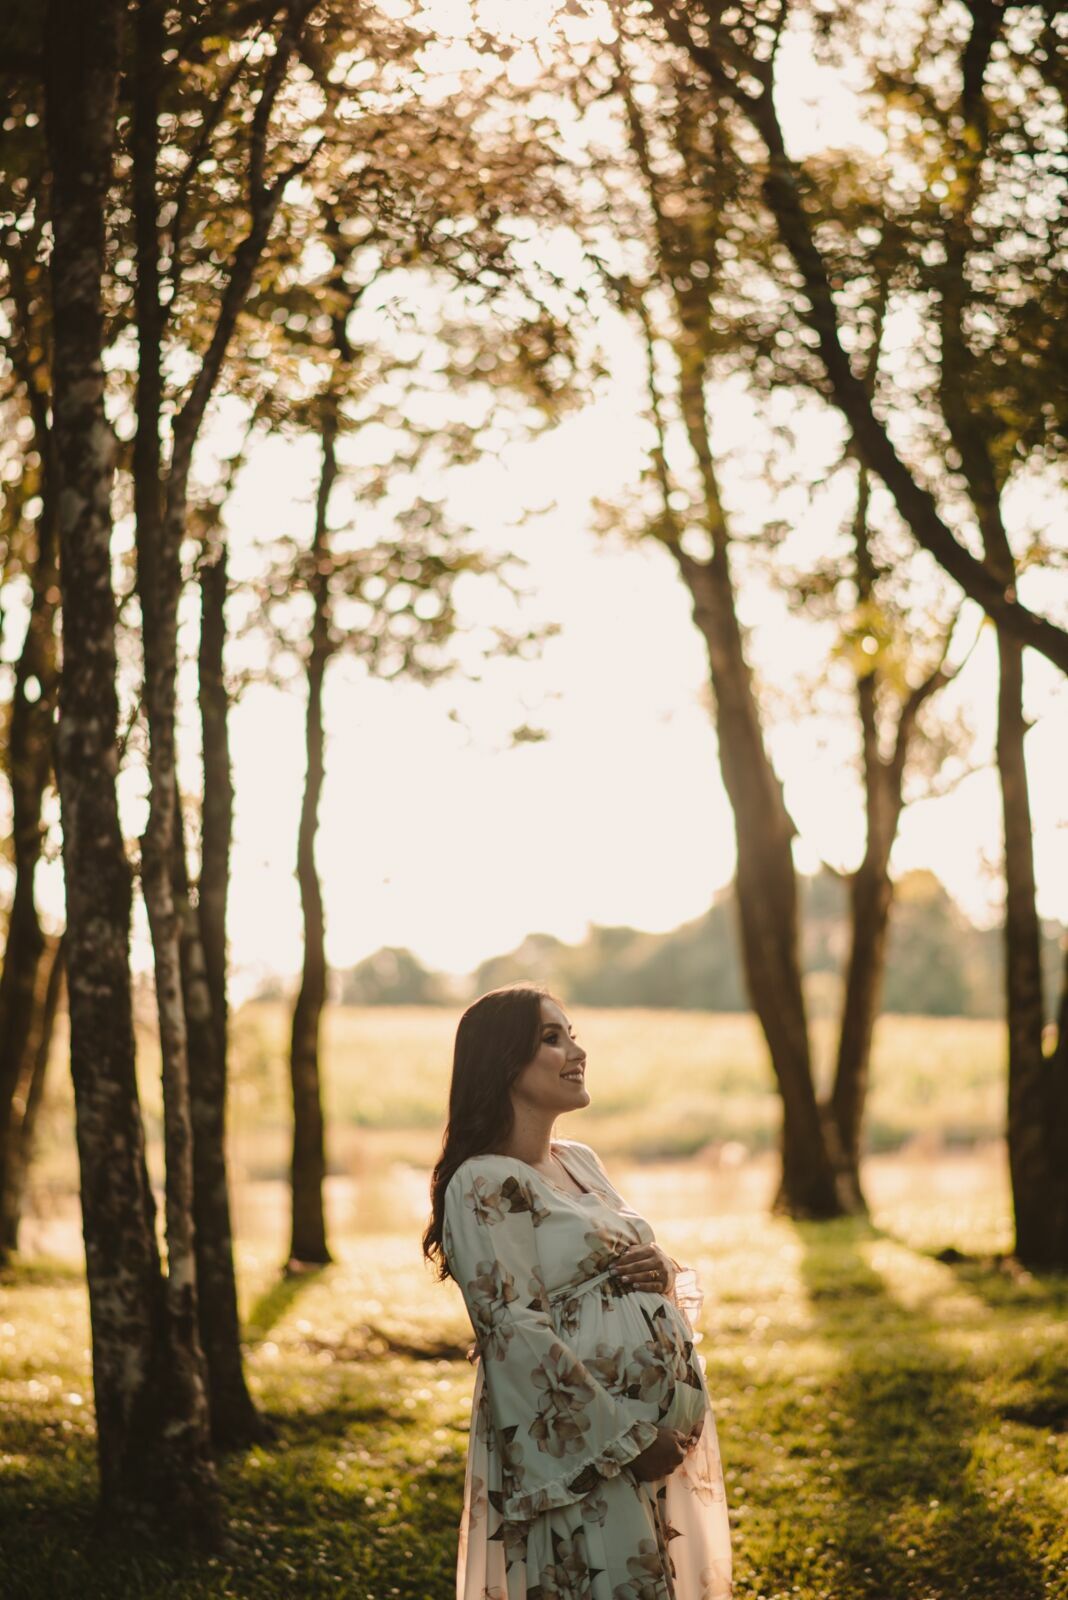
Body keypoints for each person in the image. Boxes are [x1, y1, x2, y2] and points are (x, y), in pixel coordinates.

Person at [423, 984, 733, 1600]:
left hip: (654, 1444)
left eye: (574, 1033)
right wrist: (629, 1440)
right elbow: (513, 1330)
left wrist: (659, 1267)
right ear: (503, 1061)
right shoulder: (482, 1183)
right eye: (551, 1037)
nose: (576, 1050)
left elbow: (607, 1271)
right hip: (585, 1457)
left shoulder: (580, 1160)